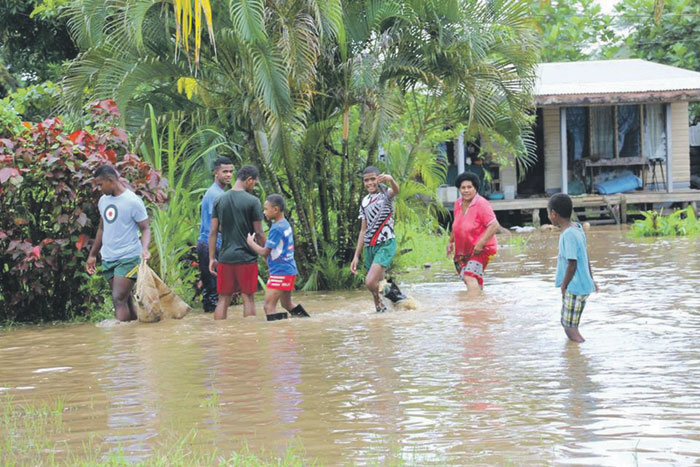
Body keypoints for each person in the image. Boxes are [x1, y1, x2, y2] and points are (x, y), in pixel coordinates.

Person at [86, 165, 151, 321]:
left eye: (100, 184)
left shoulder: (132, 201)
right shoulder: (103, 201)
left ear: (110, 180)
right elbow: (102, 228)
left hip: (128, 257)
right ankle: (134, 336)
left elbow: (146, 228)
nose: (99, 188)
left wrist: (145, 249)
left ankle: (121, 341)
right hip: (109, 257)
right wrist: (92, 255)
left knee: (118, 298)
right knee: (125, 298)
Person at [209, 165, 265, 320]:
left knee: (223, 299)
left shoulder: (219, 200)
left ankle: (220, 335)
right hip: (246, 258)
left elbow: (213, 231)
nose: (254, 186)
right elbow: (259, 232)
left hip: (225, 258)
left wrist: (212, 258)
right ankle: (249, 338)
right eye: (254, 183)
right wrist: (267, 252)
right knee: (248, 297)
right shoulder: (253, 201)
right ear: (249, 180)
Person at [246, 194, 309, 321]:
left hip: (280, 272)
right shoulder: (285, 224)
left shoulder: (277, 228)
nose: (264, 212)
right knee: (287, 304)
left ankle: (276, 337)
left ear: (275, 209)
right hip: (288, 270)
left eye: (266, 209)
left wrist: (250, 243)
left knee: (268, 307)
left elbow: (265, 252)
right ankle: (306, 322)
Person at [547, 193, 597, 343]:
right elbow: (585, 256)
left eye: (549, 213)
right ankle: (574, 355)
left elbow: (572, 264)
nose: (549, 216)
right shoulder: (577, 228)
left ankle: (581, 352)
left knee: (570, 327)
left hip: (574, 286)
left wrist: (564, 285)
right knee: (567, 322)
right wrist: (591, 278)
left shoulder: (568, 234)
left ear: (554, 214)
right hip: (581, 284)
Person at [350, 166, 400, 313]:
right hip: (369, 246)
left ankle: (395, 297)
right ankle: (381, 309)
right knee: (379, 282)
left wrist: (391, 179)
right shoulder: (364, 201)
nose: (370, 183)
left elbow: (396, 191)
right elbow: (363, 230)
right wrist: (356, 256)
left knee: (370, 282)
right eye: (366, 180)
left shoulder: (386, 194)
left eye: (373, 179)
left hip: (385, 243)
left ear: (379, 179)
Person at [446, 171, 500, 292]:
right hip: (463, 250)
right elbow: (457, 224)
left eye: (469, 187)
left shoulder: (481, 204)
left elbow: (494, 225)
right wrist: (450, 242)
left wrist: (481, 243)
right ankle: (479, 303)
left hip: (481, 249)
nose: (466, 190)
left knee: (469, 276)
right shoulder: (458, 203)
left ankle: (473, 308)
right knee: (468, 279)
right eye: (463, 187)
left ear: (475, 188)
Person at [196, 157, 234, 312]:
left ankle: (214, 328)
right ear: (215, 173)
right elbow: (216, 225)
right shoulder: (215, 194)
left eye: (231, 171)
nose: (229, 175)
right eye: (225, 171)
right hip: (210, 246)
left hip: (213, 245)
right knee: (213, 291)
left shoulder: (219, 193)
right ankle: (214, 328)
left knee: (216, 289)